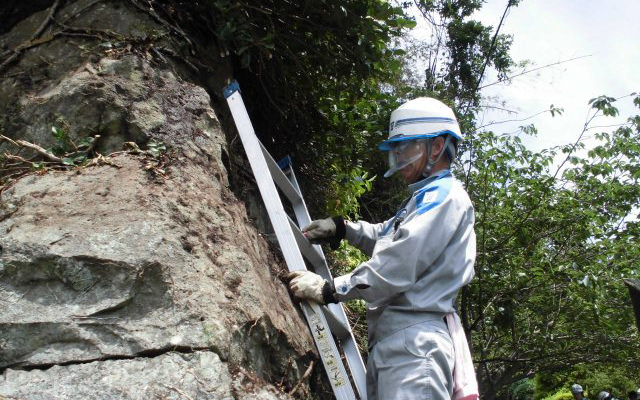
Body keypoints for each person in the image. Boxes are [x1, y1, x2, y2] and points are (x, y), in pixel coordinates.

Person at [286, 97, 477, 400]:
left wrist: (331, 289)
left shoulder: (446, 197)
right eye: (395, 149)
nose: (397, 156)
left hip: (414, 346)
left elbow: (399, 262)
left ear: (437, 147)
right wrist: (344, 228)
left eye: (404, 146)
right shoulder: (423, 198)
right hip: (396, 343)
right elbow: (388, 236)